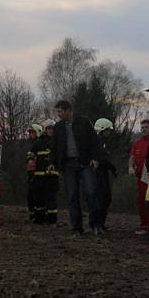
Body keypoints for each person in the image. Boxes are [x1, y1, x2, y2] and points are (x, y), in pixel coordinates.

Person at [50, 100, 102, 236]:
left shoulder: (84, 122)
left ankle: (96, 224)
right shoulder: (58, 127)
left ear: (68, 110)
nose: (59, 114)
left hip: (85, 163)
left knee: (91, 193)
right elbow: (54, 147)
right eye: (58, 112)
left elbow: (94, 141)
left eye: (60, 111)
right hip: (68, 165)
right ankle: (77, 228)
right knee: (72, 196)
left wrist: (95, 158)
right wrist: (52, 162)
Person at [29, 119, 59, 224]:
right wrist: (30, 160)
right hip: (39, 176)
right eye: (49, 128)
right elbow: (31, 153)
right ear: (45, 130)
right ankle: (39, 219)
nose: (51, 131)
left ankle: (52, 220)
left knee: (51, 199)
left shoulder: (58, 142)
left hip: (52, 176)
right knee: (39, 199)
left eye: (53, 129)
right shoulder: (38, 142)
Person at [94, 118, 117, 230]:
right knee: (102, 198)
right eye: (108, 130)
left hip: (102, 173)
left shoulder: (102, 142)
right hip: (98, 174)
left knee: (105, 198)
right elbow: (101, 160)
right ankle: (98, 224)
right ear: (102, 129)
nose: (110, 132)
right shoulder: (98, 142)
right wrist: (112, 168)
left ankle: (100, 223)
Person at [25, 124, 42, 221]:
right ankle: (32, 214)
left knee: (35, 195)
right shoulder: (32, 144)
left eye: (32, 132)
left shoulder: (39, 144)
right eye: (30, 132)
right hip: (31, 172)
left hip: (37, 173)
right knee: (30, 195)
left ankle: (37, 215)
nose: (30, 134)